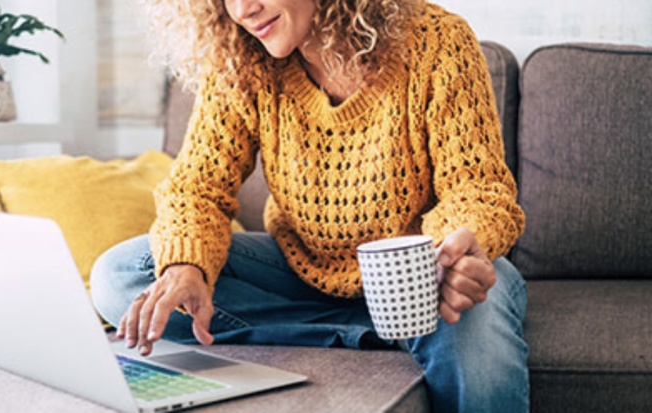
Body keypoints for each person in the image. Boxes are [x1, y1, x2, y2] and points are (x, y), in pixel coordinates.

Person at [90, 0, 529, 412]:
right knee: (122, 274)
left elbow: (477, 189)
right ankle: (372, 334)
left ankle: (393, 327)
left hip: (421, 279)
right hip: (303, 273)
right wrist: (186, 267)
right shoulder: (244, 60)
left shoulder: (438, 42)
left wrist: (452, 254)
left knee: (476, 314)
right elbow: (196, 188)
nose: (243, 10)